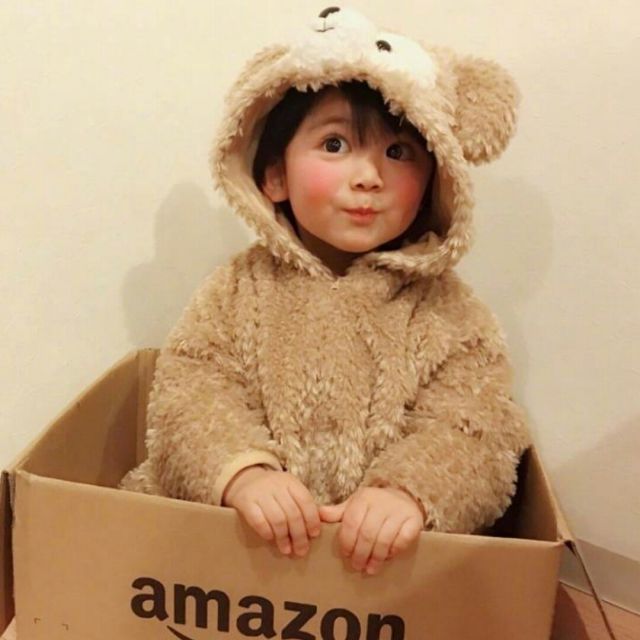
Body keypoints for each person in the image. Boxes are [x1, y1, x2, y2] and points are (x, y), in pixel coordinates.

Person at [120, 6, 532, 578]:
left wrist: (408, 492)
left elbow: (477, 429)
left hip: (379, 578)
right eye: (335, 145)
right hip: (234, 565)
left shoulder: (449, 313)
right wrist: (243, 473)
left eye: (398, 152)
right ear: (275, 176)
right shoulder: (236, 292)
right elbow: (190, 394)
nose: (368, 177)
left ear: (435, 181)